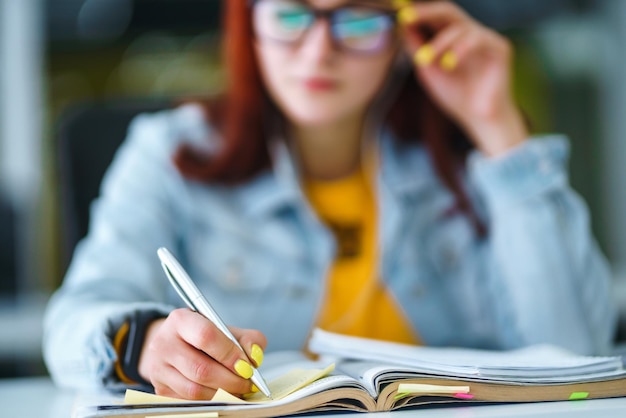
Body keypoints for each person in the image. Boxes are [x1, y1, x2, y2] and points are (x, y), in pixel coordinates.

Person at [44, 0, 616, 401]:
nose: (320, 51)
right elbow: (73, 321)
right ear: (249, 22)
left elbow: (573, 354)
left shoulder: (471, 162)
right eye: (292, 13)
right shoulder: (169, 151)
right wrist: (140, 345)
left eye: (359, 18)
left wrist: (498, 124)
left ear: (402, 34)